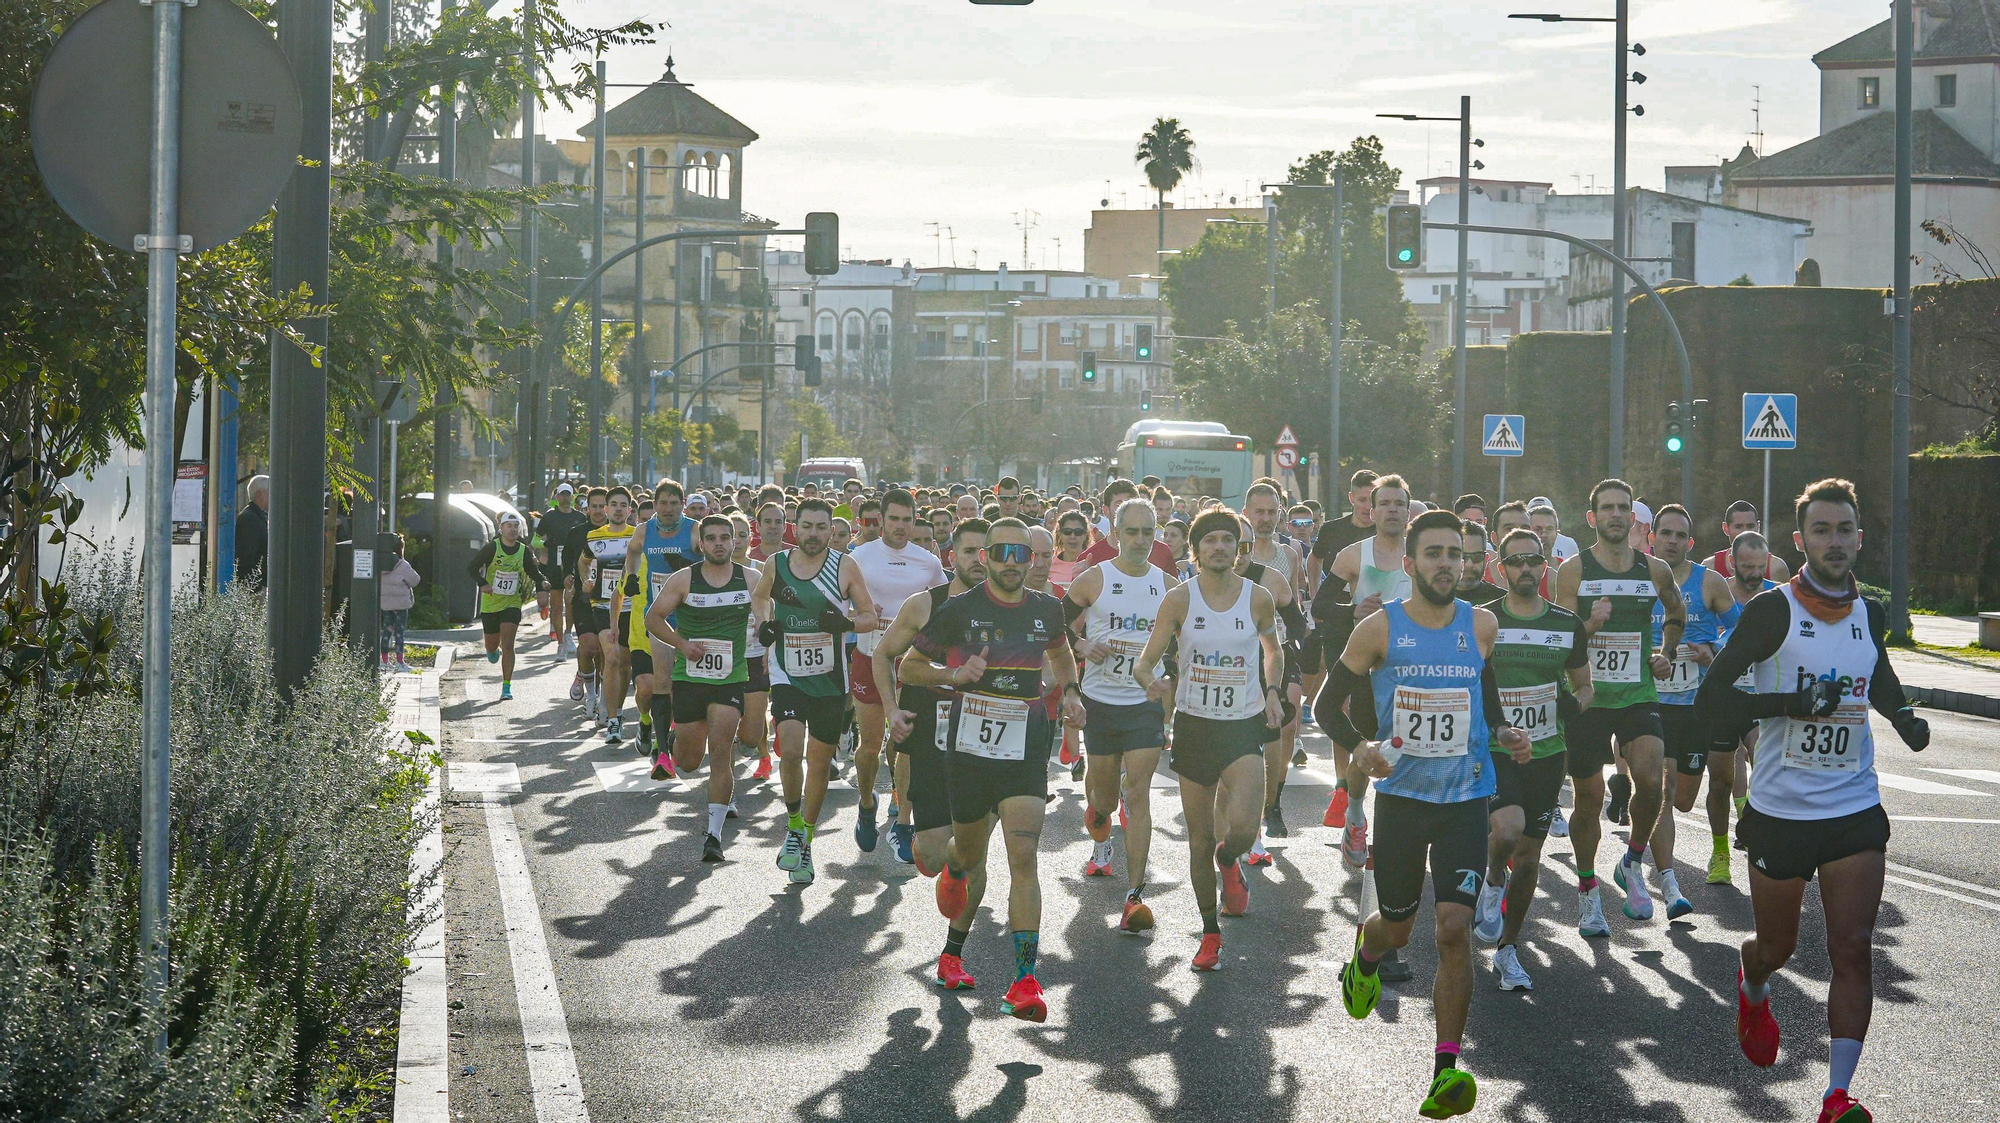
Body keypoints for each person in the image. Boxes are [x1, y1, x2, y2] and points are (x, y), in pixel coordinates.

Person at [1695, 478, 1927, 1123]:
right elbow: (1713, 700)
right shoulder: (1772, 611)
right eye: (1821, 531)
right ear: (1799, 542)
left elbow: (1878, 674)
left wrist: (1903, 716)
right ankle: (1753, 983)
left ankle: (1836, 1095)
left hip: (1853, 805)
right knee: (1778, 947)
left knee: (1852, 946)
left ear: (1860, 538)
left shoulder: (1868, 612)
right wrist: (1789, 704)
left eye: (1844, 530)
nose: (1834, 541)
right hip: (1781, 810)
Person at [1319, 508, 1531, 1119]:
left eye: (1455, 554)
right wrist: (1360, 745)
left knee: (1454, 930)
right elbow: (1328, 706)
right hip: (1404, 801)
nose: (1446, 563)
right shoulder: (1378, 629)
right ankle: (1366, 955)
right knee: (1398, 928)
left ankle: (1445, 1070)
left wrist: (1503, 730)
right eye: (1434, 553)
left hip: (1465, 798)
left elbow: (1483, 689)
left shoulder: (1481, 624)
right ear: (1409, 564)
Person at [901, 518, 1085, 1018]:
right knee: (970, 855)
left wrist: (1070, 691)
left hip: (1024, 751)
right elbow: (909, 667)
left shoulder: (1047, 608)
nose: (1010, 562)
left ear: (1032, 559)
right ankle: (954, 880)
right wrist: (954, 674)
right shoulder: (959, 610)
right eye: (1000, 552)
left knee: (1024, 857)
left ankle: (1025, 980)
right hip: (969, 756)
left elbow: (1061, 653)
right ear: (985, 558)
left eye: (1020, 554)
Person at [1130, 509, 1285, 972]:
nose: (1219, 547)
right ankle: (1210, 932)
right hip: (1195, 726)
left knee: (1243, 828)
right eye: (1210, 540)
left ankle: (1230, 858)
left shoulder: (1258, 598)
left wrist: (1273, 692)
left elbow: (1273, 651)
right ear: (1196, 549)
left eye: (1227, 540)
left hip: (1242, 725)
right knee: (1198, 840)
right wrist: (1150, 683)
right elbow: (1145, 661)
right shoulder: (1179, 599)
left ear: (1238, 548)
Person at [1553, 479, 1685, 932]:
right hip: (1588, 697)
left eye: (1622, 507)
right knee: (1589, 801)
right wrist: (1591, 624)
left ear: (1633, 517)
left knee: (1651, 783)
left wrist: (1667, 653)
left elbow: (1676, 613)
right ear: (1592, 517)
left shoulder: (1654, 569)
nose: (1615, 514)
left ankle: (1631, 860)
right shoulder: (1573, 570)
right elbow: (1562, 639)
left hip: (1637, 694)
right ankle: (1588, 889)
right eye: (1606, 508)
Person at [1469, 527, 1591, 991]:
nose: (1525, 568)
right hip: (1495, 748)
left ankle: (1508, 949)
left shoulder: (1566, 623)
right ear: (1500, 568)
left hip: (1548, 752)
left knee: (1530, 858)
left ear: (1545, 566)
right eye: (1515, 561)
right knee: (1508, 829)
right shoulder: (1485, 620)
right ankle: (1492, 877)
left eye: (1533, 561)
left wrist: (1574, 705)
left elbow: (1585, 685)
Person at [1067, 498, 1177, 934]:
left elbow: (1181, 645)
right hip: (1101, 702)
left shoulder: (1168, 586)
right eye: (1131, 531)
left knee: (1138, 794)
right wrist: (1081, 646)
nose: (1140, 540)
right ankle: (1098, 814)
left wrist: (1169, 682)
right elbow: (1056, 627)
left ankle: (1135, 896)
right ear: (1115, 534)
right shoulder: (1095, 578)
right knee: (1106, 800)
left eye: (1148, 532)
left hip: (1143, 704)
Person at [753, 499, 877, 885]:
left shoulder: (845, 566)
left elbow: (870, 616)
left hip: (830, 680)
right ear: (796, 527)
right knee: (790, 750)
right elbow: (760, 597)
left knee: (819, 763)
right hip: (787, 673)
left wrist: (845, 624)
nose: (813, 534)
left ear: (832, 531)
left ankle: (805, 838)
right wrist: (764, 622)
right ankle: (793, 824)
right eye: (806, 526)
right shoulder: (777, 564)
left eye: (821, 528)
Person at [876, 519, 989, 880]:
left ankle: (962, 885)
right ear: (952, 557)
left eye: (985, 552)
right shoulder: (924, 605)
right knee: (935, 854)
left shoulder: (1011, 607)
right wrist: (891, 710)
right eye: (969, 552)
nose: (978, 560)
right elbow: (883, 655)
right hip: (930, 731)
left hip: (985, 733)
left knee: (974, 846)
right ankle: (926, 842)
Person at [1644, 502, 1737, 915]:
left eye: (1680, 535)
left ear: (1690, 542)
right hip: (1651, 704)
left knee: (1682, 800)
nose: (1673, 541)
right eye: (1666, 533)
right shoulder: (1639, 579)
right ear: (1653, 538)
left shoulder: (1709, 582)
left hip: (1696, 706)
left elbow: (1739, 628)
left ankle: (1636, 844)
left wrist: (1711, 649)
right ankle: (1669, 884)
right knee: (1661, 793)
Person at [645, 516, 755, 863]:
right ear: (702, 544)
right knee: (689, 762)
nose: (719, 543)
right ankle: (674, 738)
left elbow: (777, 609)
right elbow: (653, 618)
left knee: (721, 753)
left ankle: (714, 836)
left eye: (725, 537)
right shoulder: (684, 579)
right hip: (690, 679)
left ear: (734, 542)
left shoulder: (750, 579)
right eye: (712, 538)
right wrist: (681, 644)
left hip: (730, 679)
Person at [1319, 474, 1415, 867]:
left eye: (1399, 503)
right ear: (1371, 512)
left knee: (1409, 752)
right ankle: (1355, 813)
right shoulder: (1353, 555)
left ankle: (1402, 833)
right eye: (1385, 503)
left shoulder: (1421, 554)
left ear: (1408, 512)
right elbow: (1320, 607)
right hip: (1367, 669)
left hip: (1412, 671)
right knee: (1365, 748)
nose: (1392, 509)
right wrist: (1353, 611)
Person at [848, 488, 946, 860]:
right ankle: (866, 803)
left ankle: (903, 822)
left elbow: (944, 610)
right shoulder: (859, 557)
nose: (900, 526)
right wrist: (858, 615)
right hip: (869, 658)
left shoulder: (928, 563)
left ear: (915, 519)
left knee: (907, 744)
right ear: (881, 520)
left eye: (907, 519)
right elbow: (840, 608)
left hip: (910, 665)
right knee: (870, 746)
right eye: (894, 519)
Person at [1711, 529, 1781, 873]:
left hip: (1759, 697)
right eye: (1747, 566)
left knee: (1763, 761)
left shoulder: (1777, 597)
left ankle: (1758, 833)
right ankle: (1720, 852)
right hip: (1722, 699)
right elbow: (1700, 638)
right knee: (1721, 780)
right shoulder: (1716, 595)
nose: (1754, 574)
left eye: (1759, 566)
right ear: (1731, 562)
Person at [623, 481, 698, 776]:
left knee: (685, 685)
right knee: (662, 682)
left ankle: (677, 732)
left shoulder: (694, 530)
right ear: (654, 505)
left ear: (683, 504)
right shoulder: (644, 531)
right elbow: (632, 551)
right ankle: (662, 752)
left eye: (674, 503)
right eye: (663, 503)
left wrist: (685, 563)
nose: (668, 509)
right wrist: (631, 576)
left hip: (691, 618)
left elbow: (713, 563)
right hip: (660, 618)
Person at [469, 511, 547, 701]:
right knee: (491, 646)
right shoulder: (492, 548)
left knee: (508, 643)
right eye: (509, 526)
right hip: (491, 603)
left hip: (512, 602)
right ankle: (492, 650)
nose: (512, 529)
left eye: (515, 526)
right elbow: (472, 567)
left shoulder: (523, 550)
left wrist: (542, 580)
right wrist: (483, 583)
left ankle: (506, 686)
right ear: (501, 528)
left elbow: (532, 571)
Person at [583, 487, 638, 742]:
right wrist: (586, 579)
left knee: (625, 664)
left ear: (629, 510)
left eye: (623, 505)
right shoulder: (594, 536)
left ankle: (615, 706)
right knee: (613, 657)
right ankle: (614, 722)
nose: (618, 509)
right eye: (613, 504)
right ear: (606, 509)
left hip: (631, 607)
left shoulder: (637, 536)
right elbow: (584, 561)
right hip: (603, 605)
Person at [561, 488, 610, 714]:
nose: (598, 511)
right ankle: (590, 697)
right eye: (594, 506)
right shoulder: (576, 533)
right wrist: (568, 577)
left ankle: (601, 697)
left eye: (602, 506)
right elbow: (568, 558)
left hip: (610, 600)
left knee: (603, 652)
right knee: (589, 646)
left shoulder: (617, 533)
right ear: (587, 508)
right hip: (584, 598)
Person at [1077, 479, 1178, 573]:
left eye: (1130, 504)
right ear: (1106, 511)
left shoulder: (1162, 552)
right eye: (1119, 505)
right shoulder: (1089, 558)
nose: (1125, 510)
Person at [536, 483, 586, 652]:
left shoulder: (580, 518)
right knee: (556, 605)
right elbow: (535, 540)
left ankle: (568, 633)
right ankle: (560, 644)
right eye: (562, 495)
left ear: (572, 497)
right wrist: (546, 544)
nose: (565, 498)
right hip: (554, 566)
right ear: (556, 497)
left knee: (570, 602)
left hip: (573, 565)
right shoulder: (549, 517)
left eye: (568, 495)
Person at [1710, 500, 1794, 582]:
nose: (1745, 531)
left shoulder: (1776, 568)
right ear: (1725, 528)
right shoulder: (1711, 566)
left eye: (1750, 526)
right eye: (1738, 527)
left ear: (1758, 527)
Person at [379, 532, 422, 672]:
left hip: (385, 604)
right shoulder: (403, 565)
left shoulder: (380, 565)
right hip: (401, 605)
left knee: (386, 632)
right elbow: (415, 580)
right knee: (399, 633)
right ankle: (399, 662)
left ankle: (384, 661)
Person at [234, 474, 270, 588]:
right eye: (270, 492)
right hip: (254, 587)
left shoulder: (258, 516)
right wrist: (255, 587)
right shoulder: (249, 519)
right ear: (260, 494)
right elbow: (246, 557)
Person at [1049, 510, 1091, 588]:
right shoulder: (1049, 564)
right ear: (1060, 534)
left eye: (1078, 532)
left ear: (1085, 535)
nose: (1072, 536)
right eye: (1067, 532)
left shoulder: (1092, 564)